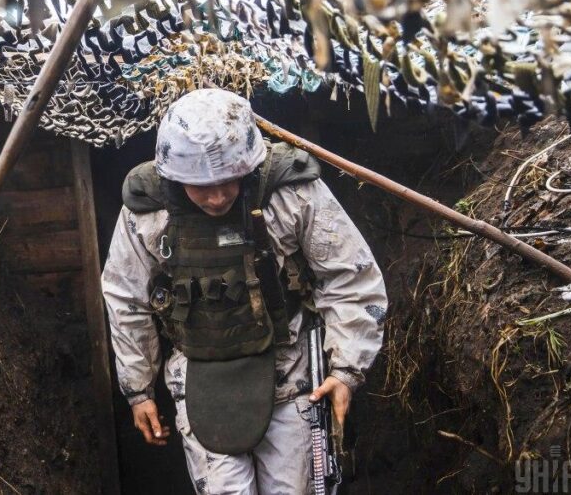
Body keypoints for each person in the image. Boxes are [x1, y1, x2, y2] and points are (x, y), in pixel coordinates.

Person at [102, 88, 387, 494]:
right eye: (201, 186)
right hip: (200, 374)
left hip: (288, 370)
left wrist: (347, 369)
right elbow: (126, 298)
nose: (217, 197)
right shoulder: (147, 210)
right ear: (175, 176)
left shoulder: (288, 192)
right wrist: (137, 390)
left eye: (228, 181)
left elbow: (349, 276)